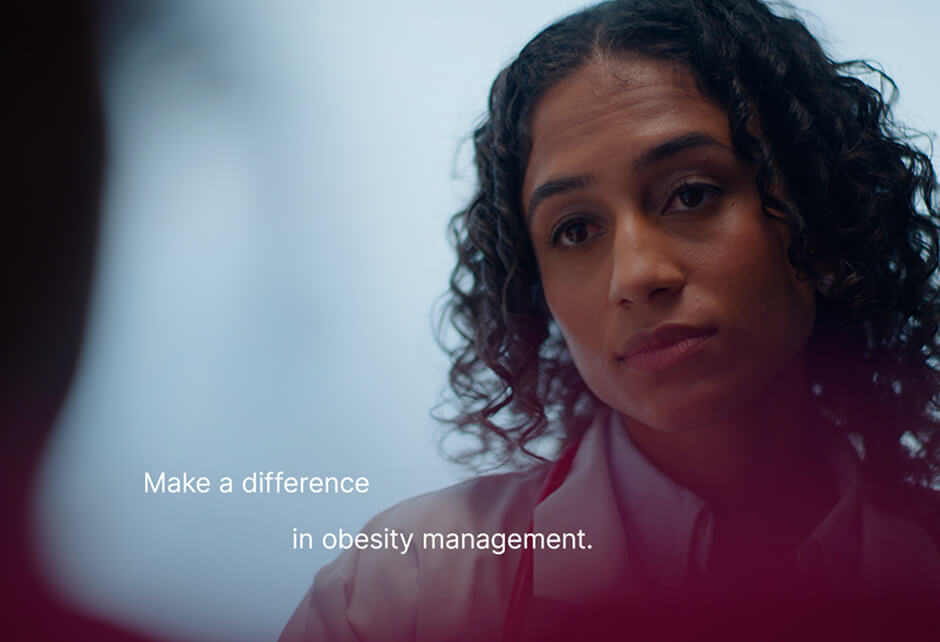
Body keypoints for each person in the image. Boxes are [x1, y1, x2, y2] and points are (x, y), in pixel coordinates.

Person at [279, 0, 940, 639]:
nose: (635, 276)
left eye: (691, 194)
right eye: (574, 231)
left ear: (822, 223)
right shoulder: (399, 591)